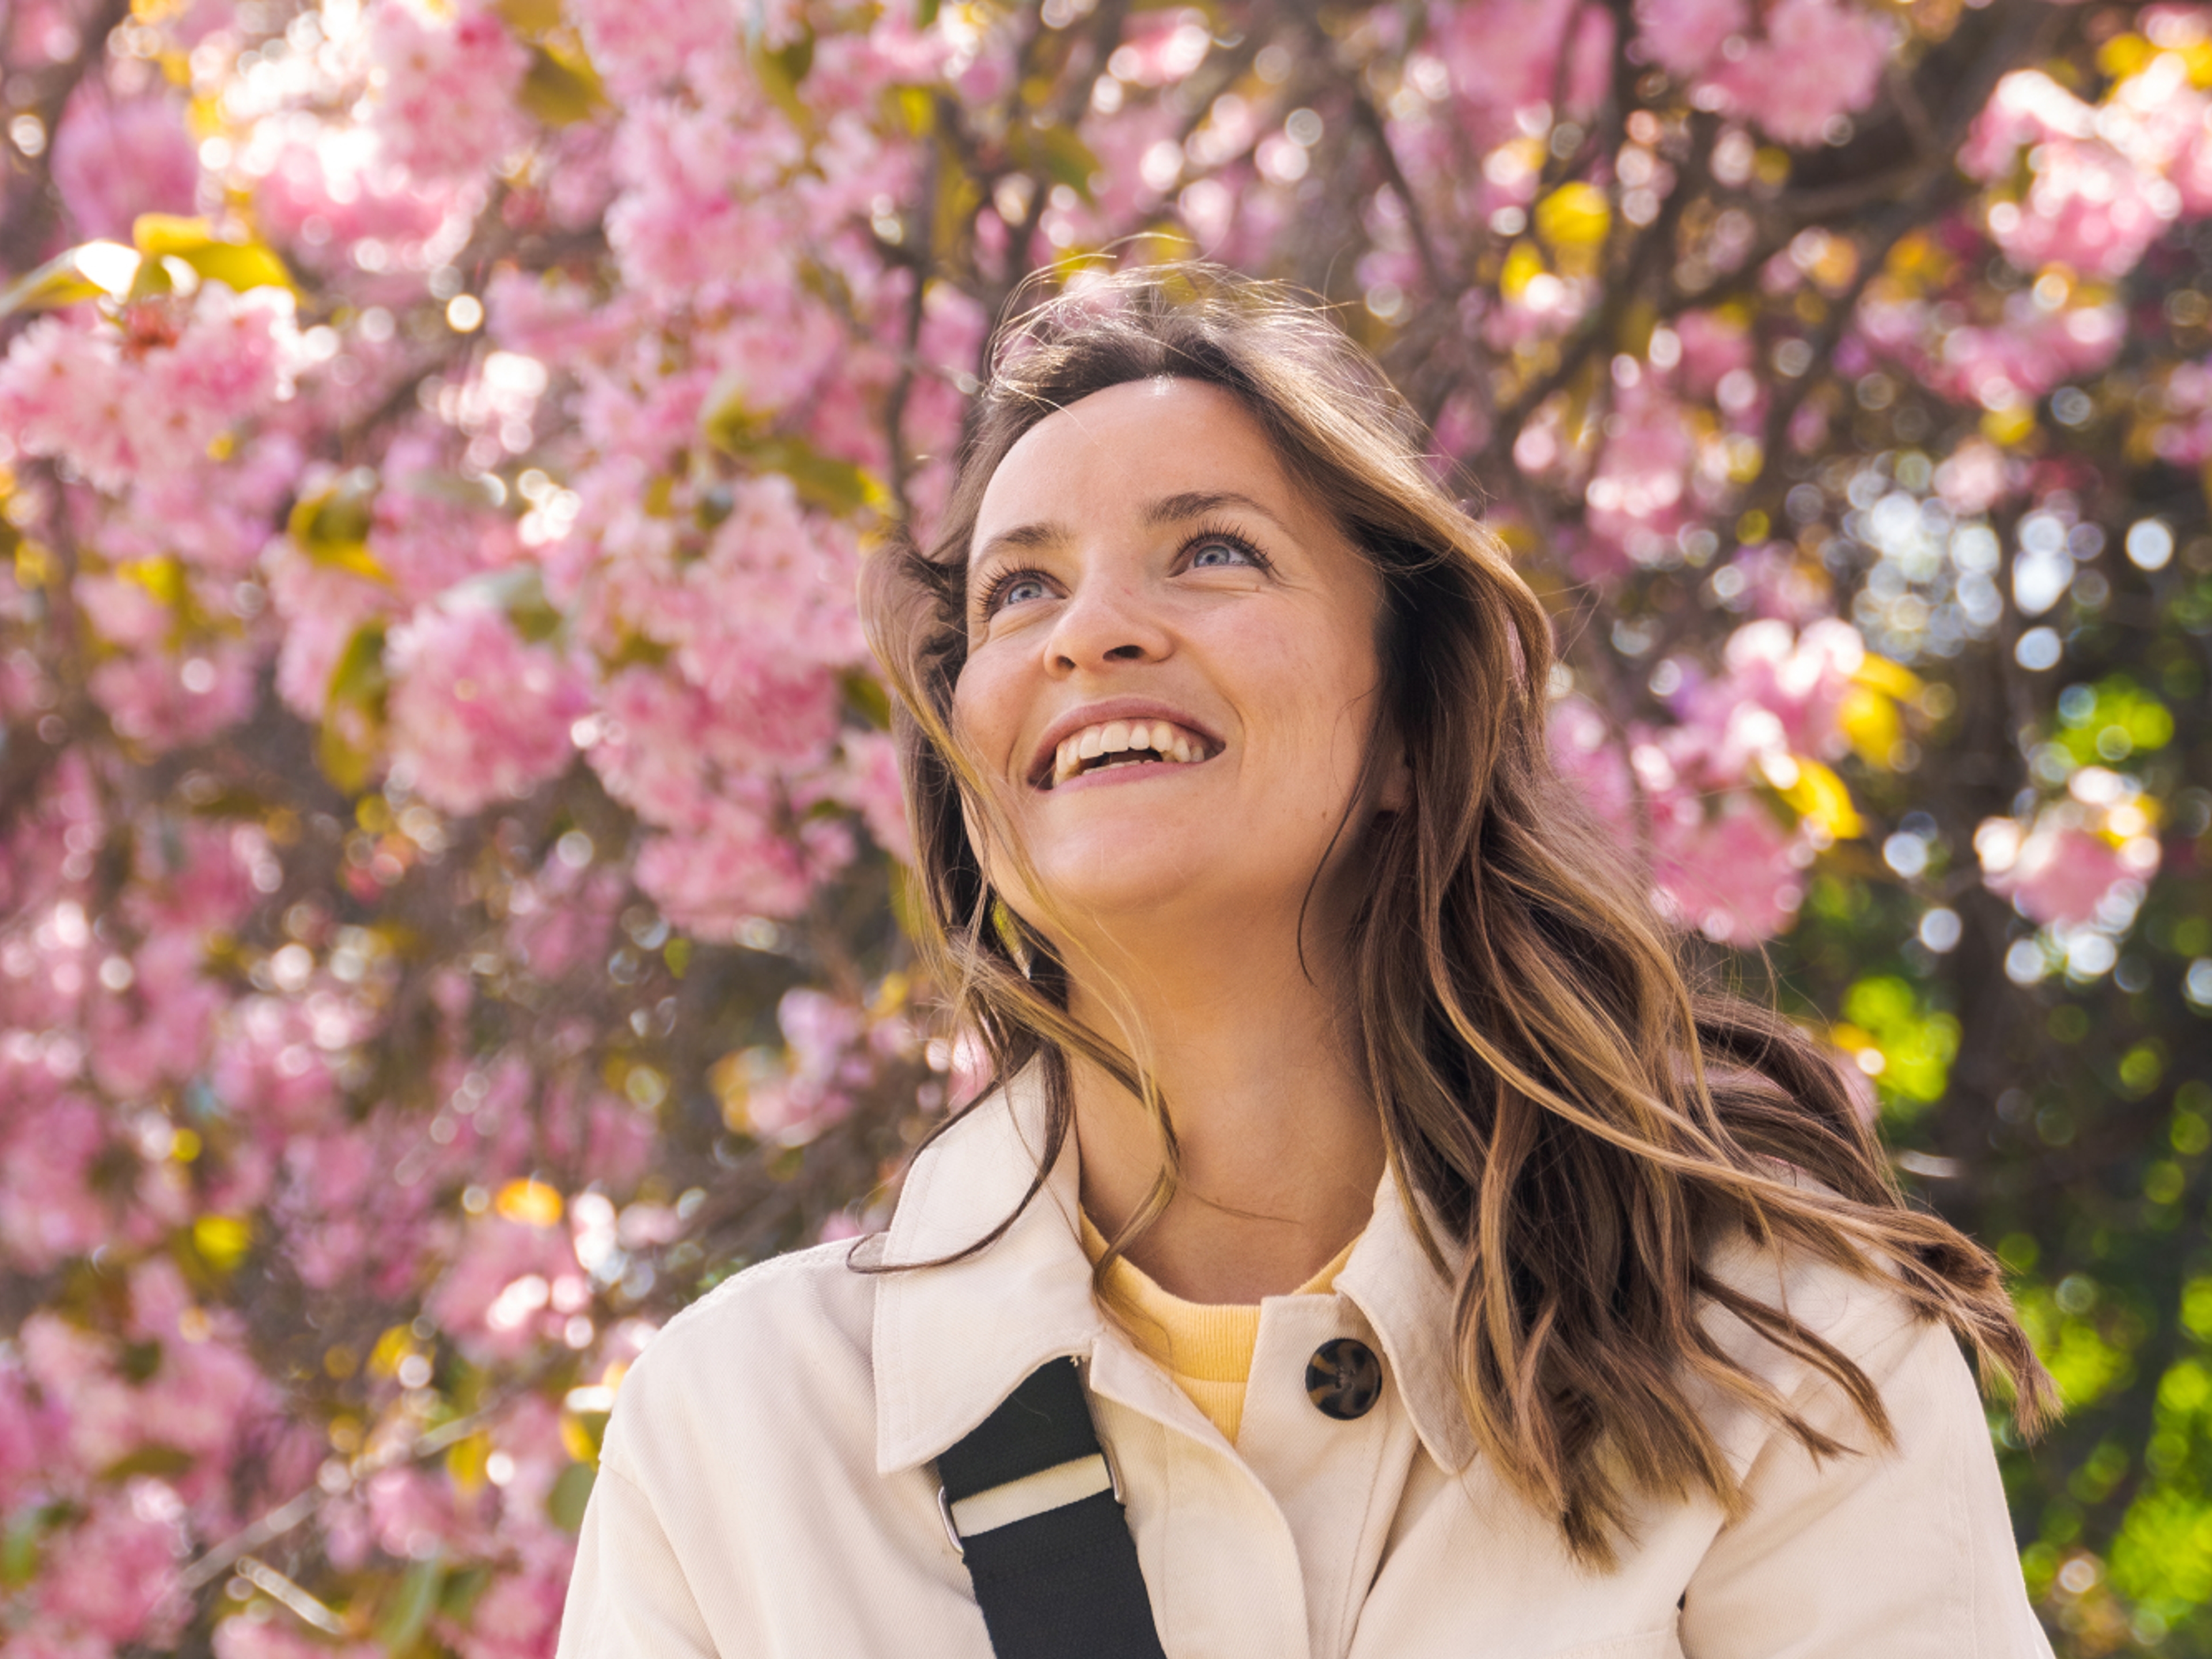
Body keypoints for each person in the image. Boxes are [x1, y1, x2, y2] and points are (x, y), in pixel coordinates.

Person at [555, 266, 2056, 1658]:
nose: (1092, 633)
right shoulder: (740, 1430)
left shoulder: (1764, 1344)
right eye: (1022, 590)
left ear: (1408, 718)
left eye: (1211, 552)